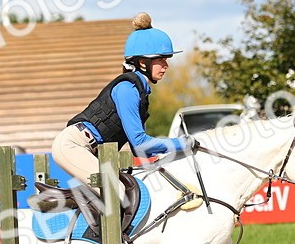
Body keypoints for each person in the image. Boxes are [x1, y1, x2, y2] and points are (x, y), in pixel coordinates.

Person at [50, 12, 197, 190]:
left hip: (88, 148)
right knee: (116, 193)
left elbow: (139, 151)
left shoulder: (140, 92)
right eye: (161, 59)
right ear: (143, 63)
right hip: (73, 146)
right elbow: (141, 143)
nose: (166, 65)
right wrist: (181, 143)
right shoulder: (128, 90)